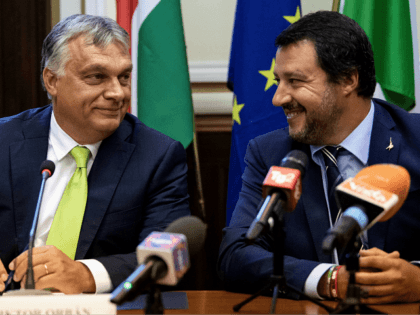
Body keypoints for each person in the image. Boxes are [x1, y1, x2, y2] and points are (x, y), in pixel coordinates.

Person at [218, 10, 420, 304]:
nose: (279, 98)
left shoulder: (416, 141)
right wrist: (330, 279)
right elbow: (235, 256)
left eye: (295, 81)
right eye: (278, 81)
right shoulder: (270, 153)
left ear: (349, 79)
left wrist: (417, 281)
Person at [0, 14, 190, 294]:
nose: (117, 93)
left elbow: (168, 256)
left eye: (124, 77)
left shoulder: (158, 156)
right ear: (52, 81)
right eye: (96, 77)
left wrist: (86, 275)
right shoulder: (5, 140)